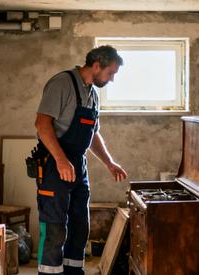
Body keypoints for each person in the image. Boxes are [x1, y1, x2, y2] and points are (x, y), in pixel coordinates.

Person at [33, 45, 128, 275]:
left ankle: (74, 272)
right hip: (54, 166)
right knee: (55, 228)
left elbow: (93, 134)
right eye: (111, 73)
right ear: (96, 65)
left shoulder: (93, 95)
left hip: (78, 166)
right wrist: (61, 160)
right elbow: (42, 124)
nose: (112, 79)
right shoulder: (62, 83)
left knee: (80, 226)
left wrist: (109, 163)